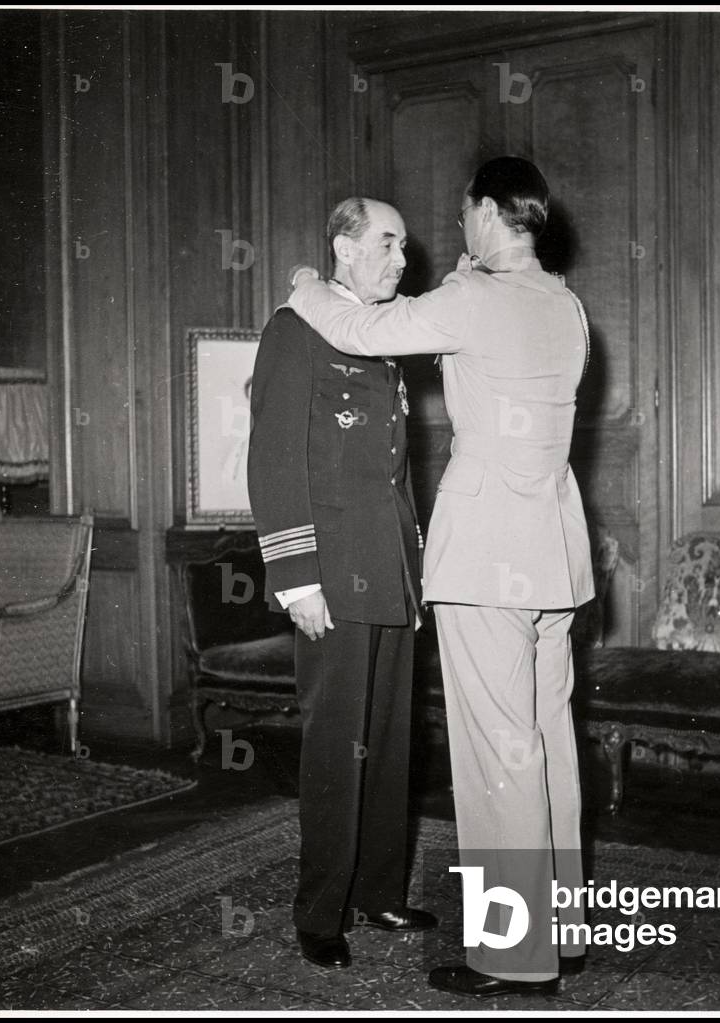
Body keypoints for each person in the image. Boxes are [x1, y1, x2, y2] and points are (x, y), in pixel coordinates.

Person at [288, 157, 594, 997]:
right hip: (553, 553)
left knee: (498, 757)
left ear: (491, 212)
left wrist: (306, 283)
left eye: (464, 215)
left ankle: (513, 954)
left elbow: (353, 330)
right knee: (548, 744)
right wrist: (471, 279)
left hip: (486, 552)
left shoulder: (471, 299)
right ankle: (561, 930)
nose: (455, 231)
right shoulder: (562, 304)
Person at [247, 197, 436, 970]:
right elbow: (272, 460)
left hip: (386, 573)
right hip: (328, 574)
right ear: (344, 248)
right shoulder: (295, 332)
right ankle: (321, 909)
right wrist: (298, 582)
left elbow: (395, 474)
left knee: (391, 741)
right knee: (336, 748)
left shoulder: (380, 338)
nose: (401, 260)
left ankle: (378, 890)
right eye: (388, 245)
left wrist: (411, 574)